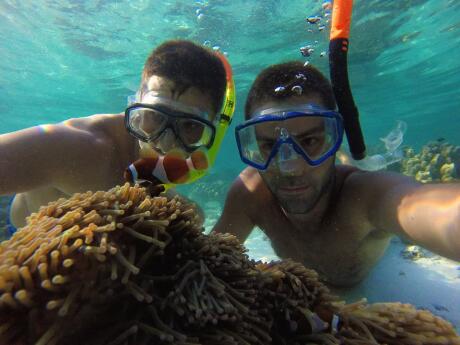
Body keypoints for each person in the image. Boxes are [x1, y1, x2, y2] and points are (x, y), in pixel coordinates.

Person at [212, 61, 460, 288]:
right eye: (268, 145)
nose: (290, 167)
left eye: (309, 141)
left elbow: (419, 205)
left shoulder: (365, 195)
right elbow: (206, 261)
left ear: (334, 139)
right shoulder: (251, 193)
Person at [0, 40, 229, 234]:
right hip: (11, 235)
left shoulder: (154, 167)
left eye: (190, 126)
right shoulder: (81, 147)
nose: (166, 142)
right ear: (135, 104)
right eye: (154, 116)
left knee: (194, 218)